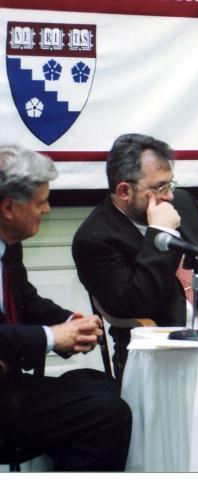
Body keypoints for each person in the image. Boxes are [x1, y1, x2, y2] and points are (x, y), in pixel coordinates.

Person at [72, 133, 198, 377]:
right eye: (159, 188)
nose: (169, 196)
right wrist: (161, 232)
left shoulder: (183, 203)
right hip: (168, 356)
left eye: (170, 184)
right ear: (124, 191)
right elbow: (137, 302)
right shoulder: (95, 238)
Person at [0, 144, 131, 471]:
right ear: (8, 208)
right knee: (106, 414)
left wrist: (69, 321)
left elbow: (25, 299)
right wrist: (51, 338)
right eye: (41, 202)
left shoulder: (9, 246)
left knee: (102, 386)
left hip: (9, 382)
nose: (47, 210)